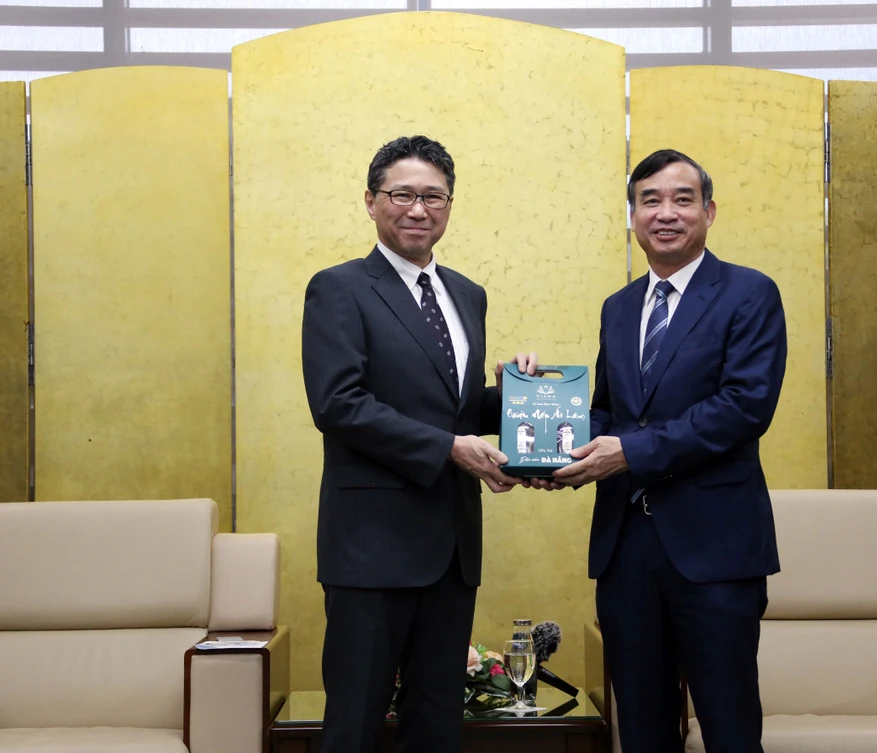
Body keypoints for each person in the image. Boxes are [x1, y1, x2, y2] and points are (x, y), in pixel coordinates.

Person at [301, 135, 536, 753]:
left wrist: (518, 396)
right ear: (372, 203)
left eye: (433, 196)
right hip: (371, 547)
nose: (417, 208)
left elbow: (454, 408)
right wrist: (450, 449)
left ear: (450, 205)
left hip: (452, 546)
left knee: (435, 724)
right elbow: (338, 404)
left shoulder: (467, 294)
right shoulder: (339, 288)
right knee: (354, 723)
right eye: (401, 194)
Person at [553, 149, 787, 753]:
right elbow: (607, 408)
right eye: (649, 200)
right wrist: (557, 446)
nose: (666, 213)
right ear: (631, 215)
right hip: (626, 548)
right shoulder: (620, 306)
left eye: (682, 199)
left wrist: (627, 453)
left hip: (715, 550)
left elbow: (742, 408)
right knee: (643, 725)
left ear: (708, 211)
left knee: (729, 725)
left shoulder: (749, 293)